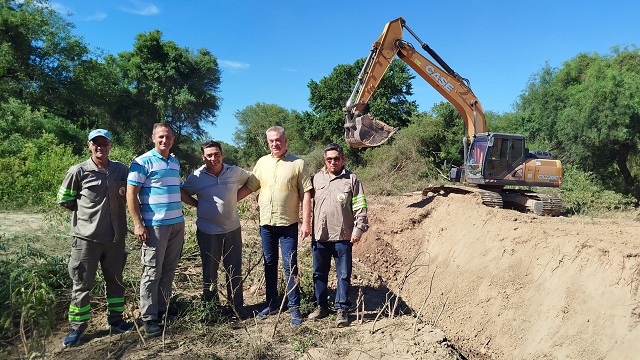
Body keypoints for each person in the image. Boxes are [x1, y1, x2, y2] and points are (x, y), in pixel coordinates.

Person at [57, 129, 133, 347]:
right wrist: (88, 220)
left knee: (116, 283)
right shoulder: (78, 171)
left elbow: (133, 193)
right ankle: (77, 328)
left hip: (116, 239)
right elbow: (65, 200)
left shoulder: (120, 170)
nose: (101, 147)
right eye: (96, 143)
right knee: (82, 285)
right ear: (89, 145)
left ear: (111, 145)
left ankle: (116, 321)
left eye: (105, 143)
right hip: (86, 240)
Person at [238, 126, 312, 326]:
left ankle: (294, 308)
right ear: (268, 142)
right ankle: (272, 304)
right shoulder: (262, 163)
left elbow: (306, 192)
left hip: (288, 223)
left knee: (290, 266)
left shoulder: (297, 163)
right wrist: (229, 201)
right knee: (269, 264)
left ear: (285, 140)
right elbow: (250, 186)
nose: (275, 144)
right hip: (266, 225)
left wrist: (306, 222)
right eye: (271, 141)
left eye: (278, 140)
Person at [181, 141, 259, 318]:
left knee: (234, 269)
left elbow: (252, 180)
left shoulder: (234, 172)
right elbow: (182, 191)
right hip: (208, 231)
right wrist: (197, 205)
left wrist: (235, 198)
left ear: (222, 154)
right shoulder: (196, 177)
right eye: (209, 155)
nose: (213, 158)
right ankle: (212, 309)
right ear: (203, 157)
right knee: (209, 271)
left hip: (232, 228)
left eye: (216, 154)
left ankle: (236, 307)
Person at [126, 123, 185, 338]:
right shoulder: (141, 162)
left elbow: (178, 189)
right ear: (153, 138)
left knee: (169, 270)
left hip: (177, 224)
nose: (164, 141)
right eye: (160, 137)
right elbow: (131, 194)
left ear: (173, 139)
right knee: (152, 271)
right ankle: (149, 318)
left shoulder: (174, 162)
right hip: (155, 226)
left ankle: (163, 309)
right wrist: (138, 224)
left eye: (168, 137)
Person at [307, 143, 368, 327]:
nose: (333, 162)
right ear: (324, 160)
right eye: (329, 159)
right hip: (320, 237)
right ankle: (321, 306)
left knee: (343, 275)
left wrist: (358, 229)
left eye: (336, 158)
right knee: (319, 273)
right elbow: (305, 203)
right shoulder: (316, 179)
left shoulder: (352, 180)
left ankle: (342, 309)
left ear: (343, 159)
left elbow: (360, 206)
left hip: (343, 237)